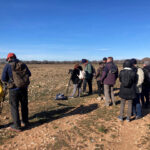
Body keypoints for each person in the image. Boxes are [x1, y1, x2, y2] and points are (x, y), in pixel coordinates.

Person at [1, 53, 31, 132]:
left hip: (13, 89)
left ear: (8, 58)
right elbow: (29, 74)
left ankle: (17, 126)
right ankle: (25, 122)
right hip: (24, 88)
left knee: (14, 107)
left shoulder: (8, 66)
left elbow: (3, 78)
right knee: (24, 105)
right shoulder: (23, 64)